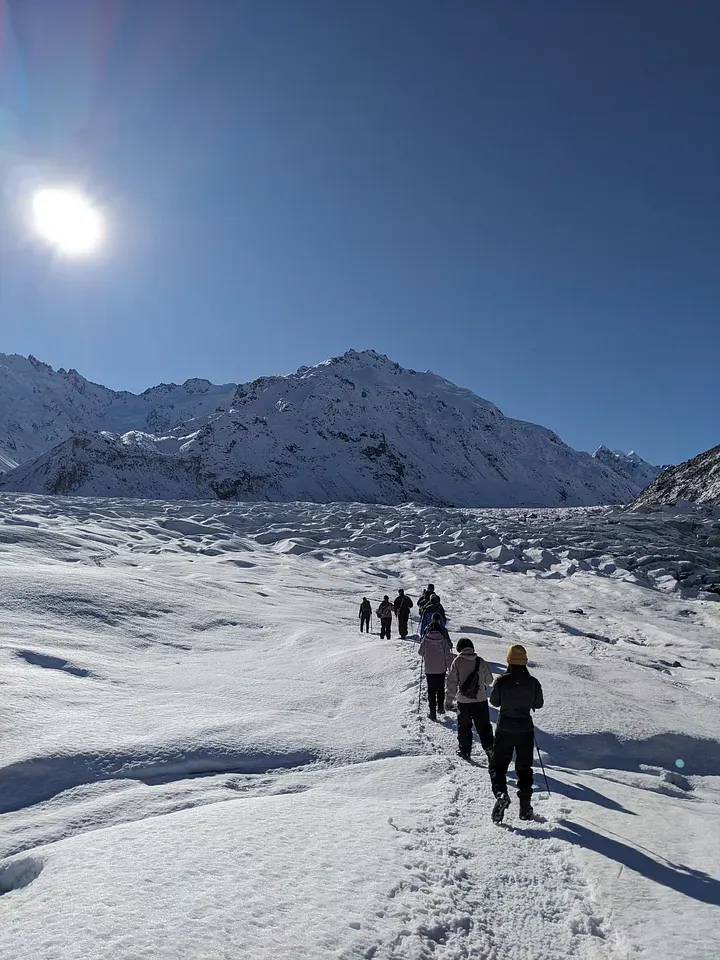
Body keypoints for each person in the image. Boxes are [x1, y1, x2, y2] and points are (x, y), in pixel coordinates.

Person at [488, 644, 544, 824]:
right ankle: (525, 808)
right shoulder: (533, 682)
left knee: (498, 767)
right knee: (524, 769)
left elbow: (495, 702)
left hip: (505, 728)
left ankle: (501, 794)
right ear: (525, 662)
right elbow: (539, 704)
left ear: (509, 661)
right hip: (525, 730)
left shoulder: (502, 681)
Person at [445, 638, 494, 761]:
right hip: (481, 700)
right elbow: (489, 680)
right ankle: (490, 749)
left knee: (464, 727)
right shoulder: (480, 661)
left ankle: (465, 751)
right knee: (484, 727)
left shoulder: (457, 662)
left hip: (463, 701)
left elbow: (451, 682)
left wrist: (449, 701)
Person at [418, 616, 453, 721]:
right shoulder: (443, 639)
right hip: (441, 669)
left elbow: (420, 652)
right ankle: (441, 708)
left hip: (429, 669)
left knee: (431, 691)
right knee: (441, 688)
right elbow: (448, 655)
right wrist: (449, 667)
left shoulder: (426, 639)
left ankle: (432, 713)